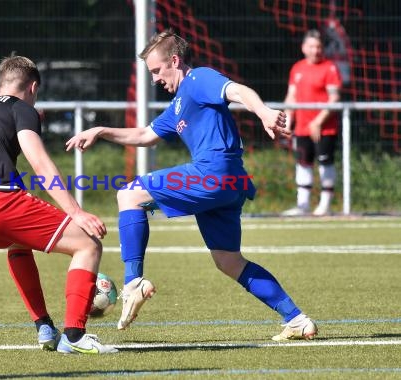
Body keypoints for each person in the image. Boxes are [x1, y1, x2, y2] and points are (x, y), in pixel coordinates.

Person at [66, 29, 318, 341]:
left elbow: (237, 91)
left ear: (174, 60)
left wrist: (264, 111)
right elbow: (145, 136)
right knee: (228, 261)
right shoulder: (178, 105)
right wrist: (102, 130)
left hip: (213, 172)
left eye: (157, 70)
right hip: (230, 183)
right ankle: (296, 319)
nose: (155, 79)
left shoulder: (198, 79)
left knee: (129, 194)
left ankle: (133, 282)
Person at [0, 55, 117, 354]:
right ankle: (75, 335)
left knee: (18, 244)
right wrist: (76, 211)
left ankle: (44, 326)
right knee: (88, 244)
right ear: (33, 88)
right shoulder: (20, 108)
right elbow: (40, 163)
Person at [281, 29, 342, 217]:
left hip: (325, 128)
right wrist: (287, 120)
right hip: (302, 128)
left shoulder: (330, 67)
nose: (315, 50)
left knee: (325, 163)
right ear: (303, 47)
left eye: (318, 46)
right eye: (311, 46)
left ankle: (325, 205)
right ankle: (303, 204)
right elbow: (291, 95)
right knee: (303, 163)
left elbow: (335, 98)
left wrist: (318, 121)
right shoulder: (297, 68)